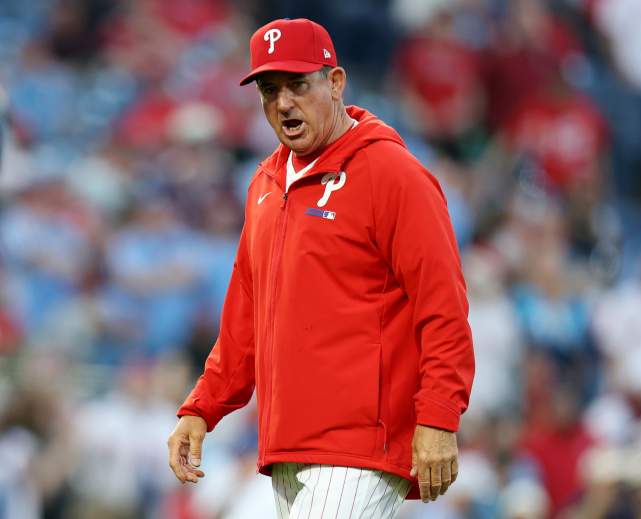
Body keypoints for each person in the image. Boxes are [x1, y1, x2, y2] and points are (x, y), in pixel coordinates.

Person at [166, 18, 475, 519]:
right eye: (270, 90)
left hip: (361, 444)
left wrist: (439, 416)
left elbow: (443, 307)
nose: (284, 103)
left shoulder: (391, 173)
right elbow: (245, 319)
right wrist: (202, 408)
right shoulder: (266, 183)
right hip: (286, 445)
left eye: (298, 85)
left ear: (335, 82)